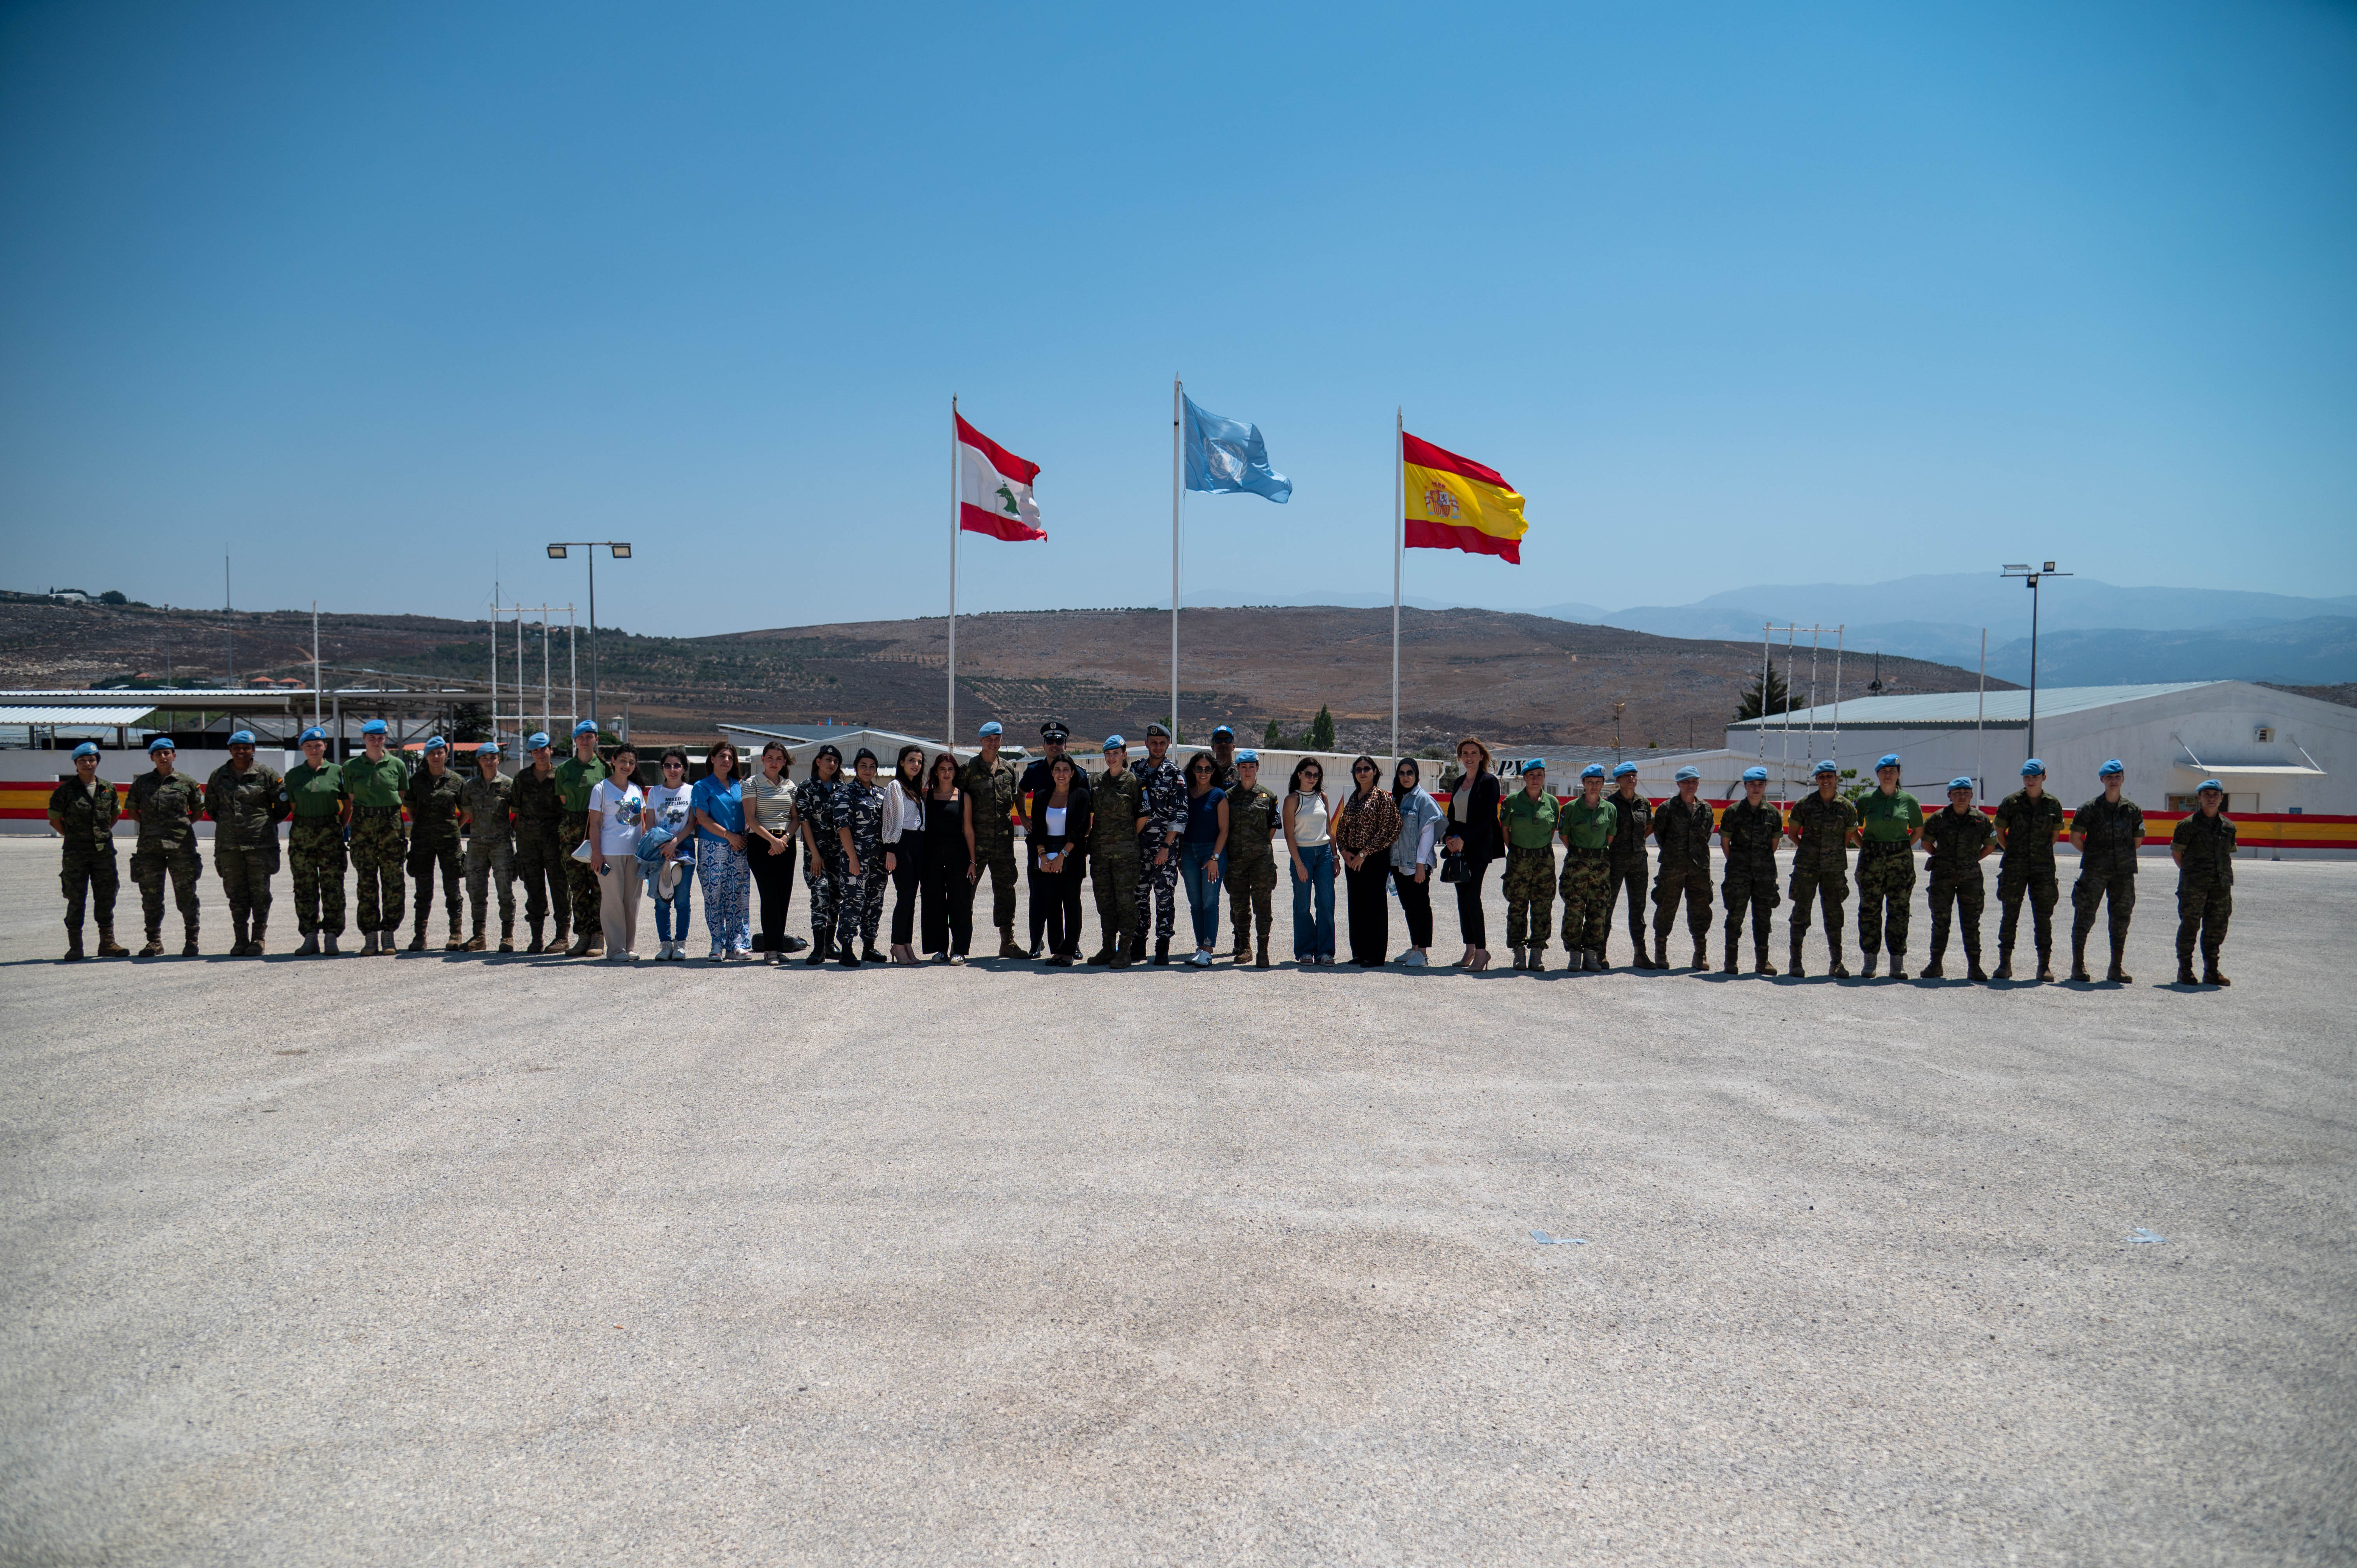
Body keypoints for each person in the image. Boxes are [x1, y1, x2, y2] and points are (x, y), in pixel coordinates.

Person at [204, 729, 286, 956]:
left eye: (246, 748)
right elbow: (212, 808)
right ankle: (240, 939)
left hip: (260, 845)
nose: (242, 752)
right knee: (235, 893)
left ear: (253, 750)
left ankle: (258, 938)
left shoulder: (267, 774)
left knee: (260, 893)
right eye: (237, 748)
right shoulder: (218, 776)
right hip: (229, 846)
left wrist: (263, 824)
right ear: (230, 750)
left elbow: (281, 806)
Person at [123, 736, 206, 956]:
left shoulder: (187, 783)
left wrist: (178, 827)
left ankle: (191, 941)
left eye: (167, 753)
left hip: (182, 846)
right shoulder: (141, 784)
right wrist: (152, 826)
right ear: (152, 757)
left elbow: (198, 812)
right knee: (151, 896)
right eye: (158, 754)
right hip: (150, 848)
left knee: (186, 894)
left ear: (174, 756)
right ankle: (154, 942)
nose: (163, 757)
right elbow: (132, 811)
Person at [48, 740, 127, 960]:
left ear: (97, 762)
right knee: (76, 897)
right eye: (82, 761)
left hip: (103, 853)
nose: (87, 764)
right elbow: (55, 821)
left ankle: (108, 943)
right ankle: (76, 946)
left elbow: (114, 816)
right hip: (76, 854)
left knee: (106, 896)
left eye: (91, 760)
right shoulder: (65, 791)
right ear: (76, 764)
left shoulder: (107, 788)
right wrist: (76, 837)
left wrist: (99, 836)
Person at [2069, 759, 2144, 984]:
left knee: (2121, 919)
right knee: (2084, 916)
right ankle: (2078, 966)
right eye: (2109, 777)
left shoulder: (2132, 810)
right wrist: (2095, 856)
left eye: (2118, 777)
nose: (2114, 781)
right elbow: (2075, 839)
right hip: (2094, 872)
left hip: (2123, 872)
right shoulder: (2089, 809)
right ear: (2102, 780)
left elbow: (2137, 842)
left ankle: (2116, 967)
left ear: (2123, 779)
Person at [1991, 759, 2065, 981]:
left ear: (2044, 777)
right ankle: (2005, 964)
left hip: (2043, 868)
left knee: (2043, 917)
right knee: (2010, 915)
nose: (2030, 781)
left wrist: (2037, 853)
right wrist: (2015, 851)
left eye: (2034, 777)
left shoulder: (2053, 804)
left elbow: (2054, 836)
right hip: (2015, 866)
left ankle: (2044, 966)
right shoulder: (2011, 802)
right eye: (2026, 777)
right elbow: (2000, 833)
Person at [281, 726, 352, 955]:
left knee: (333, 886)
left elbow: (348, 805)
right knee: (304, 887)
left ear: (325, 747)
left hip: (330, 833)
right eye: (309, 746)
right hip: (302, 835)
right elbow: (293, 805)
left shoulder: (338, 772)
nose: (314, 750)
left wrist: (337, 828)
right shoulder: (293, 776)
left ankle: (332, 935)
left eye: (318, 746)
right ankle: (310, 935)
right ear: (303, 749)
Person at [1852, 754, 1924, 979]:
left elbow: (1918, 831)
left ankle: (1897, 963)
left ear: (1899, 774)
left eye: (1893, 771)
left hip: (1900, 862)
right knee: (1870, 909)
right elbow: (1852, 828)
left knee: (1900, 910)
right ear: (1878, 775)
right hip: (1871, 860)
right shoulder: (1865, 800)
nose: (1888, 774)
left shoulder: (1909, 801)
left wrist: (1901, 848)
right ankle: (1870, 960)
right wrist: (1866, 847)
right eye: (1884, 771)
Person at [343, 719, 410, 957]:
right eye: (371, 738)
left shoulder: (397, 765)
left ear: (385, 739)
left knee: (393, 880)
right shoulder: (351, 767)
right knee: (366, 881)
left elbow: (400, 794)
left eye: (380, 737)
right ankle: (370, 935)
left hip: (390, 824)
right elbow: (351, 796)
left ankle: (389, 932)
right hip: (362, 825)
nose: (376, 741)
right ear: (363, 739)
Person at [1784, 760, 1857, 978]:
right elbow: (1793, 834)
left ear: (1836, 778)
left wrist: (1830, 852)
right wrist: (1810, 850)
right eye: (1822, 777)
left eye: (1830, 777)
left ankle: (1837, 963)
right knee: (1801, 912)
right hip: (1806, 867)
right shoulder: (1804, 805)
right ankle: (1795, 961)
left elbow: (1847, 838)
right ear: (1817, 780)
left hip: (1834, 869)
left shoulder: (1846, 807)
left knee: (1834, 915)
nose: (1826, 781)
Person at [958, 723, 1024, 958]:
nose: (993, 743)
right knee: (966, 893)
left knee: (1006, 891)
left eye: (997, 739)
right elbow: (959, 805)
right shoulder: (968, 769)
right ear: (981, 740)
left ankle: (1008, 942)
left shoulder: (1008, 770)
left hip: (1003, 844)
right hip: (976, 845)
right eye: (989, 739)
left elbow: (1014, 803)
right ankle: (960, 945)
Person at [1019, 720, 1083, 958]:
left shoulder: (1078, 774)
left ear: (1066, 744)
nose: (1055, 745)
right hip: (1041, 847)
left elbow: (1086, 810)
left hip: (1069, 847)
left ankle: (1071, 944)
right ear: (1043, 744)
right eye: (1050, 741)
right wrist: (1024, 818)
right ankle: (1037, 942)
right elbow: (1021, 793)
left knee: (1070, 899)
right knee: (1039, 896)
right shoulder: (1035, 771)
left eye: (1059, 741)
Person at [1921, 777, 1994, 981]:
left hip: (1971, 878)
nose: (1962, 797)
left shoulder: (1981, 819)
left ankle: (1975, 967)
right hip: (1942, 876)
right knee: (1940, 922)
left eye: (1966, 793)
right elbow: (1927, 843)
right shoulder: (1938, 818)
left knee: (1971, 923)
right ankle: (1935, 965)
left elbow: (1990, 845)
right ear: (1949, 796)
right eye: (1957, 793)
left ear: (1972, 795)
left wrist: (1973, 860)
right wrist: (1941, 857)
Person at [1333, 756, 1401, 968]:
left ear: (1375, 772)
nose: (1363, 772)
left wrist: (1364, 853)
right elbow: (1342, 826)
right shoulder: (1353, 798)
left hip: (1374, 858)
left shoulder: (1382, 798)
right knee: (1357, 905)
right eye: (1358, 769)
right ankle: (1360, 952)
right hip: (1352, 858)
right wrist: (1344, 851)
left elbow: (1390, 829)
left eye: (1367, 769)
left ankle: (1375, 955)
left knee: (1375, 906)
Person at [402, 736, 467, 952]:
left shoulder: (457, 781)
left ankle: (455, 934)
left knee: (453, 888)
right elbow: (411, 810)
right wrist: (425, 825)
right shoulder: (416, 780)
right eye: (432, 754)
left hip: (449, 841)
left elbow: (466, 812)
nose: (436, 757)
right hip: (422, 842)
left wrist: (452, 827)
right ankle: (420, 936)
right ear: (426, 756)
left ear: (446, 755)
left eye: (440, 753)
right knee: (423, 890)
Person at [1442, 738, 1502, 970]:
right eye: (1465, 753)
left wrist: (1464, 839)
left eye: (1474, 753)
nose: (1469, 757)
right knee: (1462, 899)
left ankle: (1482, 952)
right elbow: (1454, 816)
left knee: (1472, 897)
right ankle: (1469, 948)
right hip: (1458, 847)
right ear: (1460, 757)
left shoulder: (1489, 782)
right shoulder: (1459, 782)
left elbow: (1487, 817)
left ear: (1481, 756)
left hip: (1478, 847)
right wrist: (1449, 837)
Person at [1717, 766, 1783, 976]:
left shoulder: (1772, 813)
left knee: (1763, 917)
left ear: (1765, 787)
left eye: (1761, 784)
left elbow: (1774, 844)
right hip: (1739, 873)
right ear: (1745, 786)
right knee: (1735, 915)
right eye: (1752, 784)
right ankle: (1731, 961)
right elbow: (1725, 843)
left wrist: (1759, 862)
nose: (1757, 788)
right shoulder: (1734, 812)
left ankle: (1763, 962)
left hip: (1764, 874)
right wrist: (1740, 862)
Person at [1026, 754, 1092, 964]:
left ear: (1073, 773)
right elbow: (1037, 829)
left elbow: (1080, 829)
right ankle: (1057, 950)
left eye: (1066, 770)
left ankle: (1070, 951)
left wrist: (1063, 855)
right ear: (1052, 773)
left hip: (1071, 855)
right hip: (1047, 857)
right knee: (1052, 905)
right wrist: (1043, 856)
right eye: (1057, 770)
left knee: (1072, 904)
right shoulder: (1042, 796)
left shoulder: (1081, 795)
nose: (1061, 774)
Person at [691, 740, 753, 961]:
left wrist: (744, 834)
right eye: (722, 757)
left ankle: (737, 943)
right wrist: (729, 836)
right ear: (712, 759)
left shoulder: (741, 785)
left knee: (738, 895)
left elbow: (749, 814)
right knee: (714, 895)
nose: (726, 761)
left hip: (740, 846)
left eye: (730, 757)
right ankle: (717, 943)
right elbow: (702, 818)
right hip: (713, 847)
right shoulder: (702, 786)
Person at [1087, 736, 1146, 966]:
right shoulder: (1098, 783)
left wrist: (1127, 836)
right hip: (1101, 855)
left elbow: (1143, 817)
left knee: (1125, 902)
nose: (1112, 757)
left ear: (1124, 754)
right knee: (1105, 902)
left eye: (1116, 753)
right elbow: (1091, 816)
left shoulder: (1134, 782)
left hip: (1125, 856)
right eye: (1108, 753)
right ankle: (1108, 947)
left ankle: (1126, 950)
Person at [1650, 765, 1715, 971]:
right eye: (1686, 782)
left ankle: (1700, 955)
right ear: (1679, 784)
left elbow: (1706, 836)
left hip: (1699, 868)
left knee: (1701, 910)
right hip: (1673, 867)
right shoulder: (1667, 809)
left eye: (1694, 782)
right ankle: (1660, 953)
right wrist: (1675, 854)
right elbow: (1660, 836)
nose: (1691, 786)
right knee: (1666, 908)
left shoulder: (1705, 809)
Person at [2172, 779, 2235, 986]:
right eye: (2206, 794)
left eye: (2215, 795)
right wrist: (2192, 875)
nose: (2211, 798)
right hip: (2194, 887)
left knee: (2216, 929)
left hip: (2221, 886)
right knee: (2190, 926)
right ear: (2199, 798)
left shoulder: (2228, 826)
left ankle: (2212, 971)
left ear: (2221, 798)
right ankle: (2186, 971)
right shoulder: (2187, 825)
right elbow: (2177, 853)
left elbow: (2227, 853)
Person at [1135, 723, 1189, 965]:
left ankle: (1163, 945)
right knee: (1139, 896)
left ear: (1167, 745)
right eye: (1153, 742)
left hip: (1163, 849)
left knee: (1164, 897)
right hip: (1139, 847)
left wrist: (1166, 847)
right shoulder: (1136, 770)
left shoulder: (1175, 774)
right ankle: (1138, 943)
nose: (1157, 746)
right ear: (1146, 744)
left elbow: (1180, 814)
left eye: (1162, 743)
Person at [744, 740, 802, 963]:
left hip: (786, 844)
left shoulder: (790, 786)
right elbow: (751, 818)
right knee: (769, 895)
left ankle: (778, 946)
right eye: (770, 758)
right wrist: (772, 841)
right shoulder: (752, 784)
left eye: (779, 759)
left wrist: (785, 838)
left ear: (784, 761)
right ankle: (770, 949)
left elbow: (796, 818)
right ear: (763, 760)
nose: (774, 763)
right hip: (762, 844)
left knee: (783, 895)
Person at [555, 720, 610, 957]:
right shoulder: (564, 769)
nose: (586, 740)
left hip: (597, 827)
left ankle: (599, 936)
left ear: (596, 740)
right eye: (581, 737)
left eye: (590, 736)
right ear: (575, 741)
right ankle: (583, 936)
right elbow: (564, 801)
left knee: (598, 885)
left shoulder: (605, 768)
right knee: (577, 887)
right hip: (572, 830)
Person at [509, 732, 567, 954]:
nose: (540, 754)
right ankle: (537, 938)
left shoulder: (560, 775)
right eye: (535, 751)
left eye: (543, 749)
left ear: (550, 750)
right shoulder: (522, 778)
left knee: (560, 888)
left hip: (555, 842)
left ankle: (562, 937)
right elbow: (516, 810)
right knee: (534, 889)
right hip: (529, 843)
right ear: (531, 754)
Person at [1224, 750, 1283, 968]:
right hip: (1236, 861)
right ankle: (1244, 947)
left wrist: (1258, 847)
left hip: (1261, 862)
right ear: (1238, 769)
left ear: (1257, 768)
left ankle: (1263, 950)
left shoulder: (1268, 796)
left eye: (1251, 767)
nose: (1247, 771)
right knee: (1239, 905)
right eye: (1243, 767)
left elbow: (1273, 827)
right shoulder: (1229, 796)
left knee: (1263, 905)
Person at [458, 741, 518, 952]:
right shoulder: (471, 786)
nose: (489, 761)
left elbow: (517, 814)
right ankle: (479, 936)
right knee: (475, 890)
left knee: (505, 890)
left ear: (498, 759)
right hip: (477, 845)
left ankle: (507, 937)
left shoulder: (508, 784)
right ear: (479, 761)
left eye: (493, 757)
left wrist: (505, 831)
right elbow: (468, 813)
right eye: (485, 758)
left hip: (501, 844)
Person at [1499, 760, 1559, 971]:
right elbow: (1505, 831)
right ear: (1524, 778)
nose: (1536, 779)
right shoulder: (1512, 801)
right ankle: (1518, 952)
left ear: (1544, 777)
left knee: (1543, 907)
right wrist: (1519, 851)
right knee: (1517, 906)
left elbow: (1551, 832)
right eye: (1531, 775)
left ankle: (1537, 952)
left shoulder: (1552, 803)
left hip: (1544, 860)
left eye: (1540, 775)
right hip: (1519, 860)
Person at [589, 742, 647, 961]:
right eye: (623, 761)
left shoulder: (636, 790)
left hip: (634, 853)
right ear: (613, 761)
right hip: (609, 853)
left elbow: (641, 824)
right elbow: (594, 824)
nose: (627, 765)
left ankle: (628, 947)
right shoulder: (601, 789)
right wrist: (597, 853)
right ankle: (615, 950)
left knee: (632, 901)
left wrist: (645, 852)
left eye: (632, 762)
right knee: (613, 900)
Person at [1558, 763, 1618, 971]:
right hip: (1577, 864)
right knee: (1574, 909)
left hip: (1601, 865)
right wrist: (1581, 853)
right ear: (1583, 783)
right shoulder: (1571, 809)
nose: (1594, 786)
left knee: (1598, 910)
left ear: (1603, 784)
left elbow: (1609, 836)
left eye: (1598, 783)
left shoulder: (1610, 809)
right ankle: (1575, 954)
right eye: (1590, 782)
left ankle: (1591, 955)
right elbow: (1564, 835)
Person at [921, 750, 977, 963]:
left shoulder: (964, 797)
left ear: (956, 773)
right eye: (942, 769)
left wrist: (972, 861)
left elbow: (969, 830)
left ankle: (959, 949)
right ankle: (940, 949)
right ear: (936, 772)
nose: (946, 773)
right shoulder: (927, 796)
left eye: (950, 769)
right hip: (932, 858)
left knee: (960, 904)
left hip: (959, 858)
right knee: (934, 903)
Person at [835, 748, 889, 966]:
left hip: (878, 860)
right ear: (856, 768)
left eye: (872, 766)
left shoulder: (882, 794)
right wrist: (853, 859)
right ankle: (846, 948)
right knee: (853, 903)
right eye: (863, 766)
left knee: (875, 903)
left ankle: (869, 946)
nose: (868, 770)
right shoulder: (846, 793)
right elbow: (843, 828)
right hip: (855, 859)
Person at [642, 748, 696, 961]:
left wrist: (675, 843)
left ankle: (680, 945)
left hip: (684, 848)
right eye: (668, 765)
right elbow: (650, 824)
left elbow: (692, 823)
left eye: (677, 765)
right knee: (662, 900)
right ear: (662, 768)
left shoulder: (692, 791)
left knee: (682, 899)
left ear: (684, 769)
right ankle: (665, 945)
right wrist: (664, 848)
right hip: (660, 851)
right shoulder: (655, 793)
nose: (672, 770)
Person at [1388, 759, 1443, 968]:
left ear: (1416, 774)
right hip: (1400, 862)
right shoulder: (1397, 798)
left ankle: (1423, 953)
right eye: (1402, 773)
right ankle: (1414, 947)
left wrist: (1421, 865)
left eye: (1410, 772)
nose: (1406, 777)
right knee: (1409, 907)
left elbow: (1427, 835)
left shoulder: (1423, 800)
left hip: (1417, 865)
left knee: (1421, 907)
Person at [1178, 751, 1230, 966]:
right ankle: (1200, 947)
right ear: (1193, 770)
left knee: (1210, 902)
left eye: (1208, 769)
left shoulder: (1219, 795)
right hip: (1189, 853)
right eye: (1199, 768)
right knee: (1195, 904)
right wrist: (1181, 856)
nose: (1203, 773)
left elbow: (1224, 830)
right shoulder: (1185, 794)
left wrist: (1215, 858)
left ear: (1213, 771)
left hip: (1212, 854)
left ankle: (1208, 949)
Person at [1283, 756, 1337, 966]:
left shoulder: (1322, 797)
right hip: (1302, 855)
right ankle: (1305, 950)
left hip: (1324, 855)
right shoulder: (1292, 800)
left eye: (1316, 775)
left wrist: (1335, 857)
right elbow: (1289, 835)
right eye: (1308, 774)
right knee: (1302, 904)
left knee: (1326, 903)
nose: (1312, 778)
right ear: (1300, 774)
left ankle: (1325, 951)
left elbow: (1330, 829)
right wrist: (1298, 864)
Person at [798, 744, 848, 962]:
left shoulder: (841, 788)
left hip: (838, 855)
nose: (832, 764)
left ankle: (829, 944)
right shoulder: (807, 787)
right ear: (818, 762)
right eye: (828, 760)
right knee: (821, 895)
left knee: (836, 898)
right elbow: (804, 822)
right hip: (816, 856)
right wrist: (815, 854)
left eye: (836, 761)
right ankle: (818, 948)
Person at [882, 744, 929, 964]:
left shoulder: (915, 788)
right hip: (902, 845)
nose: (916, 765)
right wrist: (891, 849)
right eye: (911, 760)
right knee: (905, 897)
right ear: (902, 762)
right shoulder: (895, 787)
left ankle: (907, 944)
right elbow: (891, 819)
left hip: (918, 845)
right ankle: (897, 945)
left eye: (919, 762)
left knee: (911, 898)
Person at [1605, 761, 1655, 968]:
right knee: (1607, 906)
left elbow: (1649, 827)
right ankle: (1600, 952)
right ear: (1618, 780)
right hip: (1615, 859)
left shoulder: (1644, 803)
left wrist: (1637, 843)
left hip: (1638, 860)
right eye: (1627, 776)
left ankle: (1640, 954)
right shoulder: (1610, 804)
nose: (1631, 779)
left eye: (1634, 775)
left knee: (1638, 908)